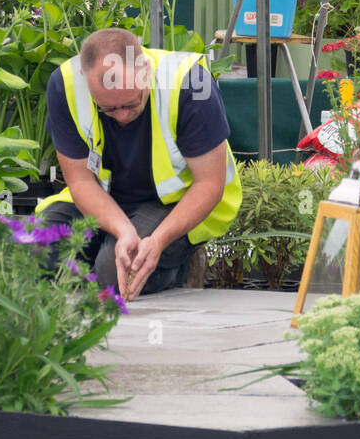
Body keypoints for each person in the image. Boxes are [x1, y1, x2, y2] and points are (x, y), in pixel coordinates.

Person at [37, 28, 241, 301]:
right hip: (106, 198)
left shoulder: (191, 83)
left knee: (113, 275)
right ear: (86, 80)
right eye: (108, 109)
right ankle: (100, 258)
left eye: (131, 103)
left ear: (145, 69)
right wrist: (122, 231)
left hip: (173, 204)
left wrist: (157, 242)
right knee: (34, 253)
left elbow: (210, 183)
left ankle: (178, 267)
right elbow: (81, 181)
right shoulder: (65, 84)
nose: (121, 116)